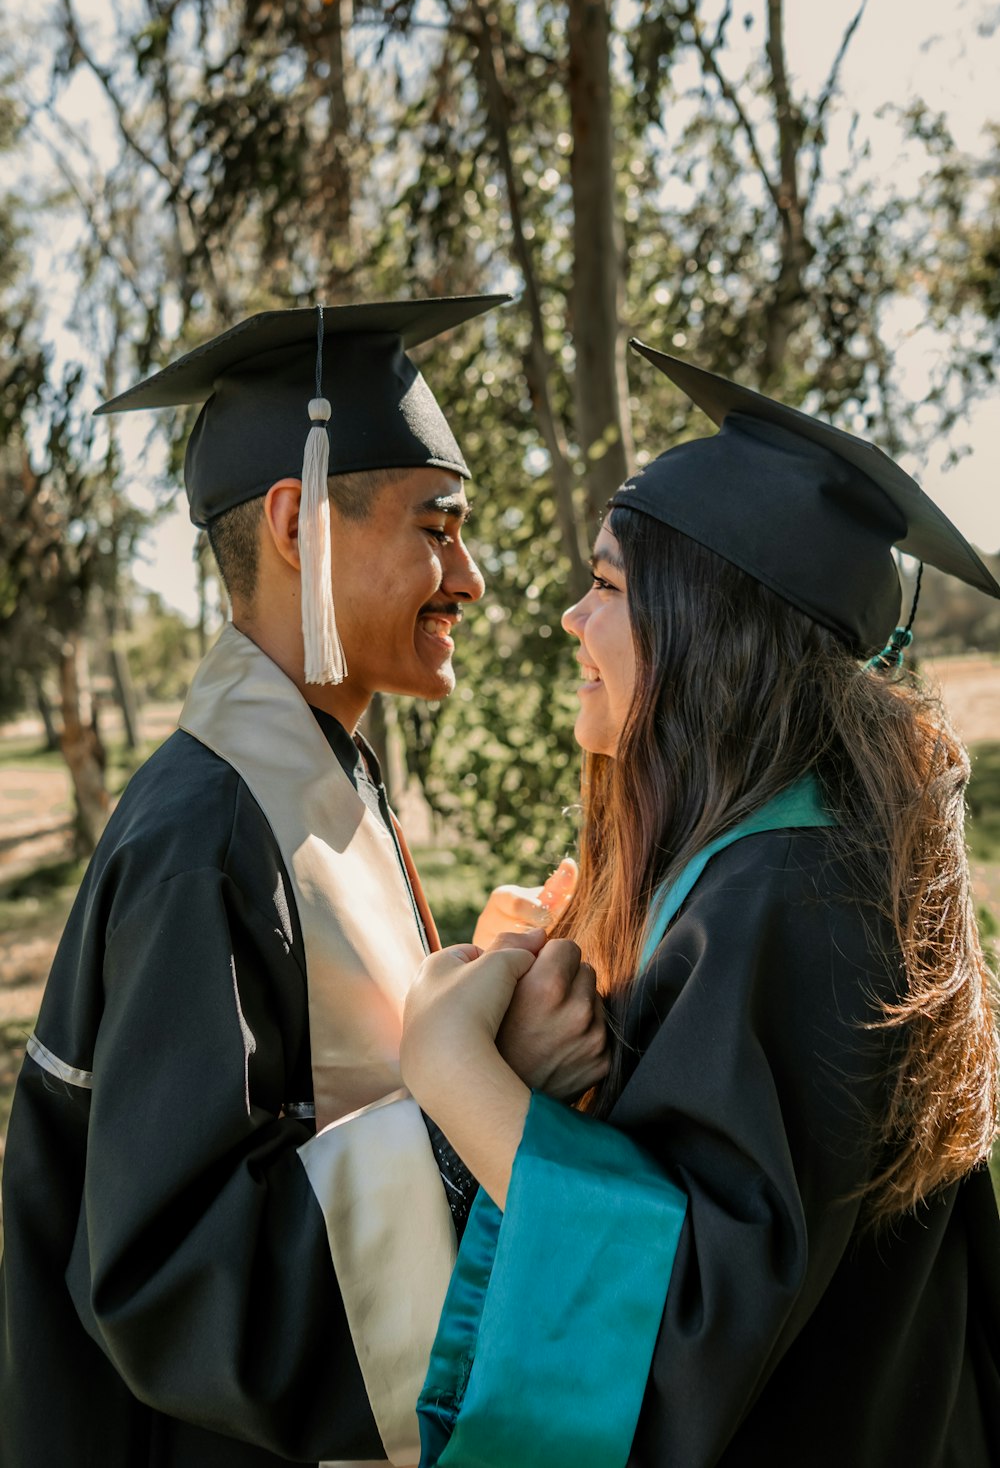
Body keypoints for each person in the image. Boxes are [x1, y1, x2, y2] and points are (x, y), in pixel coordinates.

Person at [0, 298, 607, 1468]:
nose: (468, 579)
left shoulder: (317, 780)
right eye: (439, 527)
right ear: (297, 524)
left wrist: (469, 991)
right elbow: (172, 1285)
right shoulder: (204, 837)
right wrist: (472, 1102)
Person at [400, 344, 1000, 1467]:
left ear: (712, 634)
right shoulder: (795, 863)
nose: (572, 621)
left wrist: (453, 1068)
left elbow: (677, 1312)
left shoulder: (788, 896)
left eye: (611, 586)